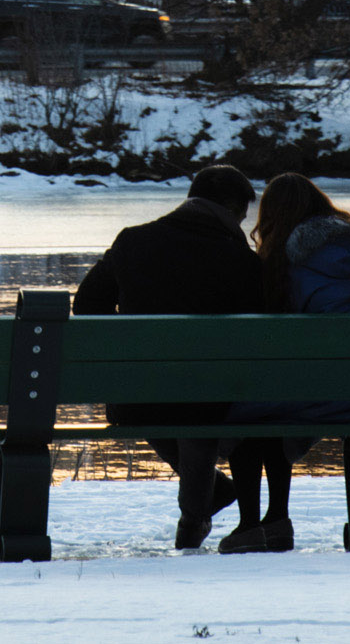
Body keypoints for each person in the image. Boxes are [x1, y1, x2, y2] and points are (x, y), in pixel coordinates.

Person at [72, 164, 261, 548]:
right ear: (229, 207)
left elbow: (88, 304)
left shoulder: (133, 242)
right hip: (215, 399)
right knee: (198, 404)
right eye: (242, 214)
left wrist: (130, 348)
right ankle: (195, 517)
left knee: (170, 399)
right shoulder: (241, 259)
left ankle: (201, 509)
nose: (242, 223)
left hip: (136, 401)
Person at [219, 172, 350, 554]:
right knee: (272, 403)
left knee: (245, 411)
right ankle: (277, 519)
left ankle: (252, 524)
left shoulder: (291, 260)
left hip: (323, 389)